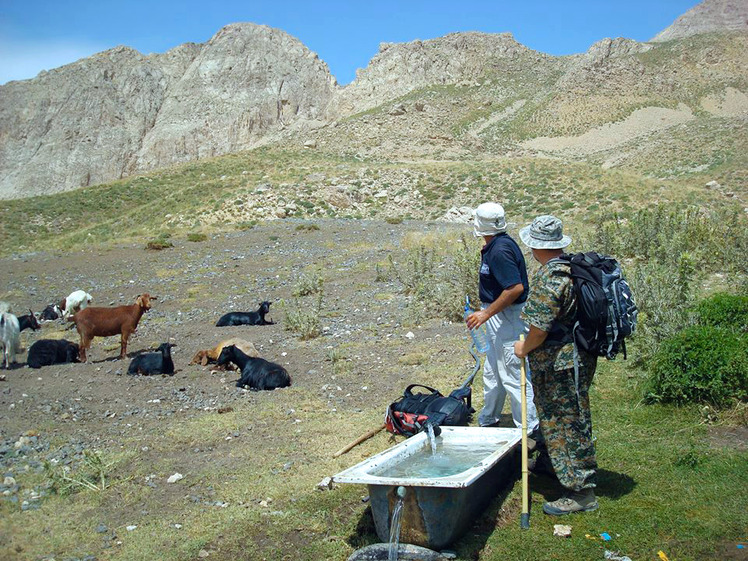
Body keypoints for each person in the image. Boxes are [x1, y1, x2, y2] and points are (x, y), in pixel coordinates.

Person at [513, 215, 599, 515]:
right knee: (559, 417)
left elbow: (539, 329)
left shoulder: (551, 278)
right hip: (577, 358)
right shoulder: (572, 268)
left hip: (560, 364)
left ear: (535, 246)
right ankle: (554, 464)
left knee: (567, 421)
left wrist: (523, 347)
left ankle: (581, 493)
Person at [465, 202, 539, 434]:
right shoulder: (495, 246)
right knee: (493, 371)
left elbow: (515, 288)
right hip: (499, 317)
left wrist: (486, 313)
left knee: (512, 372)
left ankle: (528, 429)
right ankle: (489, 419)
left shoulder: (499, 250)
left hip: (508, 317)